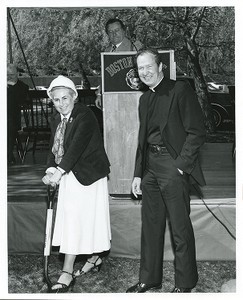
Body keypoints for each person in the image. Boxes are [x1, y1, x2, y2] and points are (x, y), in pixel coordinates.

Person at [126, 48, 206, 293]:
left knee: (180, 228)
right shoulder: (144, 99)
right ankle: (149, 279)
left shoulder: (179, 90)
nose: (145, 72)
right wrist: (138, 174)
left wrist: (181, 166)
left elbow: (197, 131)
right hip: (150, 167)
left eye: (149, 66)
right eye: (140, 68)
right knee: (150, 226)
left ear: (161, 66)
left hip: (173, 166)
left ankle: (185, 283)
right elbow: (142, 140)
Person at [42, 75, 111, 293]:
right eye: (56, 100)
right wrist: (50, 170)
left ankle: (67, 271)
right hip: (69, 174)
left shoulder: (85, 115)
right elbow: (55, 147)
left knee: (84, 219)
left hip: (88, 174)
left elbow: (76, 148)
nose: (61, 104)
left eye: (65, 98)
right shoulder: (57, 119)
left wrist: (59, 172)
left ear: (75, 96)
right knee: (75, 219)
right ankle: (94, 258)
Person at [95, 18, 143, 109]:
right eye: (110, 31)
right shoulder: (107, 51)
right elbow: (104, 76)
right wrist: (99, 94)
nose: (114, 34)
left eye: (117, 30)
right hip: (111, 99)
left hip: (131, 97)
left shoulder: (135, 47)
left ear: (124, 30)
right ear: (107, 34)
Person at [7, 63, 29, 165]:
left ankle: (8, 157)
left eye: (11, 74)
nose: (9, 77)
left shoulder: (23, 87)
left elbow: (20, 102)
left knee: (9, 128)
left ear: (17, 74)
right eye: (7, 74)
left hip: (12, 119)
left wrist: (11, 88)